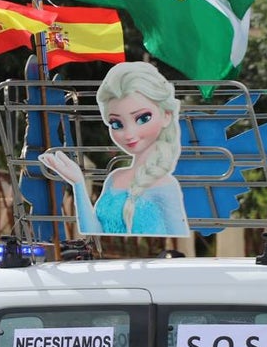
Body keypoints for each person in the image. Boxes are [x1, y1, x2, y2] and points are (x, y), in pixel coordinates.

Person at [38, 60, 189, 237]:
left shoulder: (166, 186)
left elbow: (179, 239)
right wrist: (78, 183)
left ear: (166, 116)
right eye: (116, 123)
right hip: (110, 265)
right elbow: (93, 232)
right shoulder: (114, 178)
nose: (129, 134)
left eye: (142, 118)